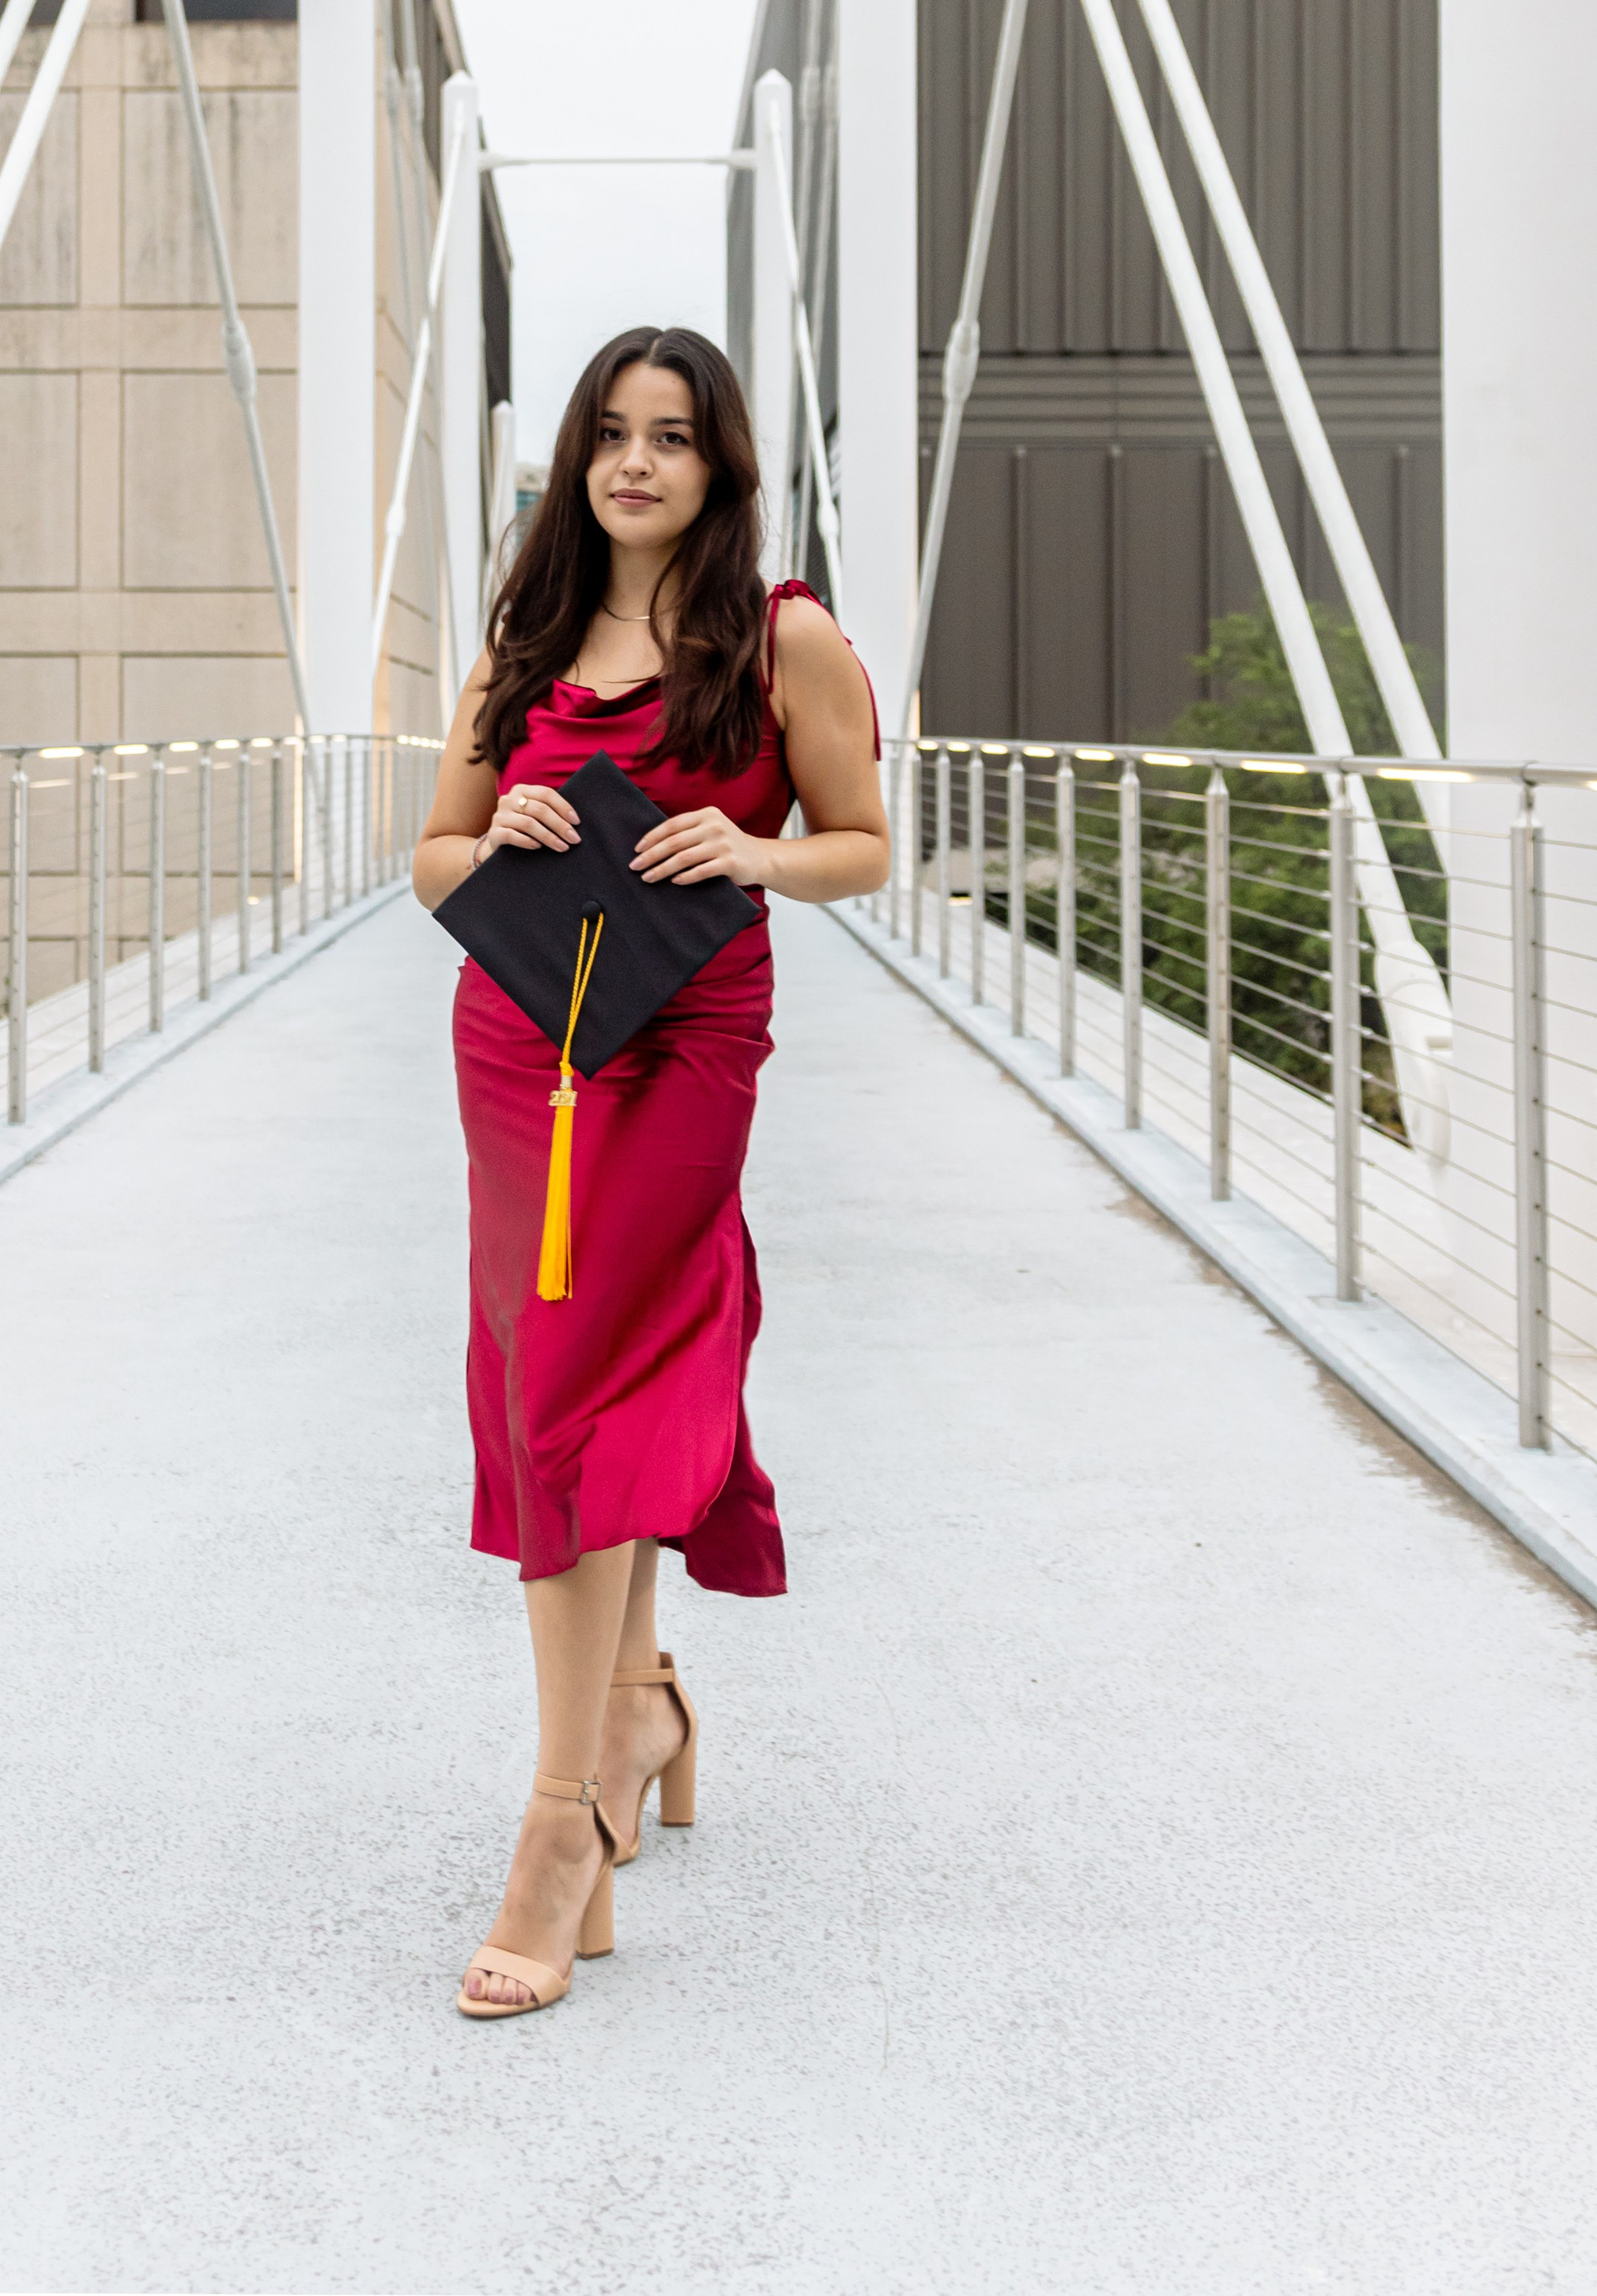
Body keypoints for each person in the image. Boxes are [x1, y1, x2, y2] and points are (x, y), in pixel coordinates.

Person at [413, 323, 889, 2019]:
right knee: (545, 1374)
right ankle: (637, 1716)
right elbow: (427, 858)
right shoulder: (526, 640)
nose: (633, 463)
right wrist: (496, 836)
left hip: (687, 1034)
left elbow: (863, 847)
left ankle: (560, 1828)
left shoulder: (781, 640)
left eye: (669, 437)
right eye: (608, 435)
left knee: (592, 1374)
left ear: (717, 466)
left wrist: (752, 846)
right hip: (519, 1044)